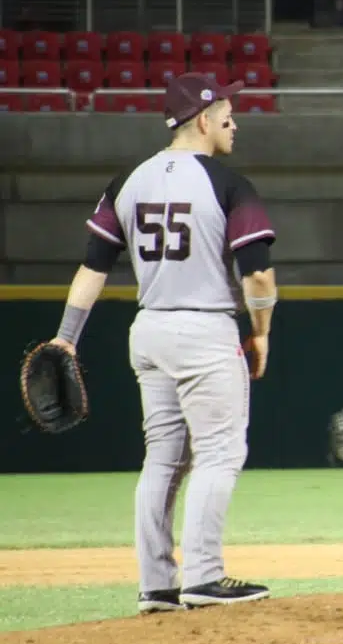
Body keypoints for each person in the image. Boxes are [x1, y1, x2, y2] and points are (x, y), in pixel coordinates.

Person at [59, 73, 276, 612]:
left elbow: (93, 268)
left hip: (150, 329)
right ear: (202, 119)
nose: (234, 122)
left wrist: (66, 339)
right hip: (204, 330)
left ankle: (156, 585)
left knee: (162, 459)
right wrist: (262, 330)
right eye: (226, 114)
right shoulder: (228, 183)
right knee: (220, 453)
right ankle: (204, 576)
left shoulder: (127, 181)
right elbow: (258, 276)